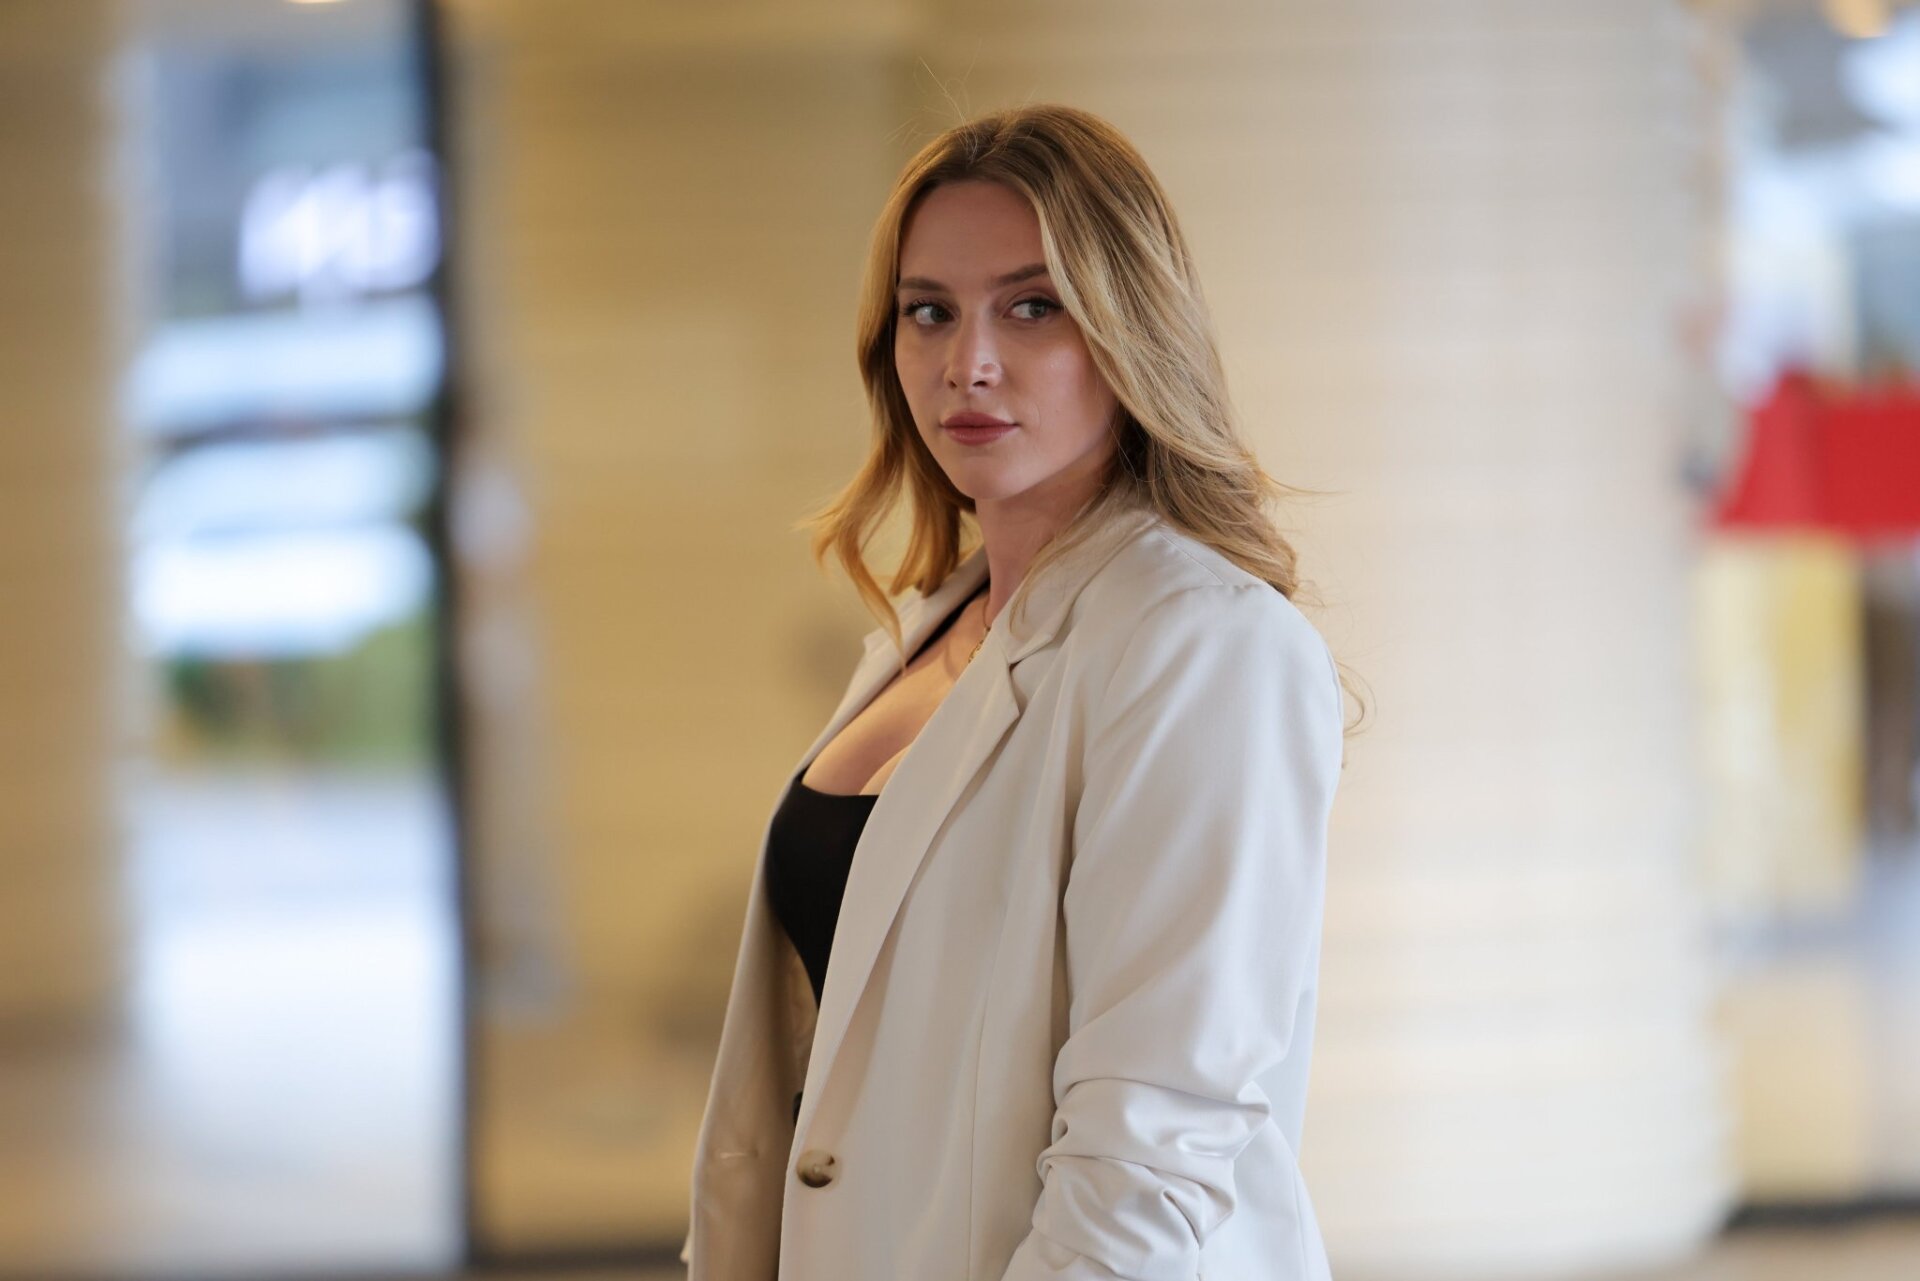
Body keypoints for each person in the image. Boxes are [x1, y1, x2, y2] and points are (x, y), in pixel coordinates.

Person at [681, 102, 1356, 1281]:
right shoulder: (930, 628)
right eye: (929, 311)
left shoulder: (1202, 646)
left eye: (1032, 307)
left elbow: (1150, 1150)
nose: (968, 363)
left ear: (1129, 326)